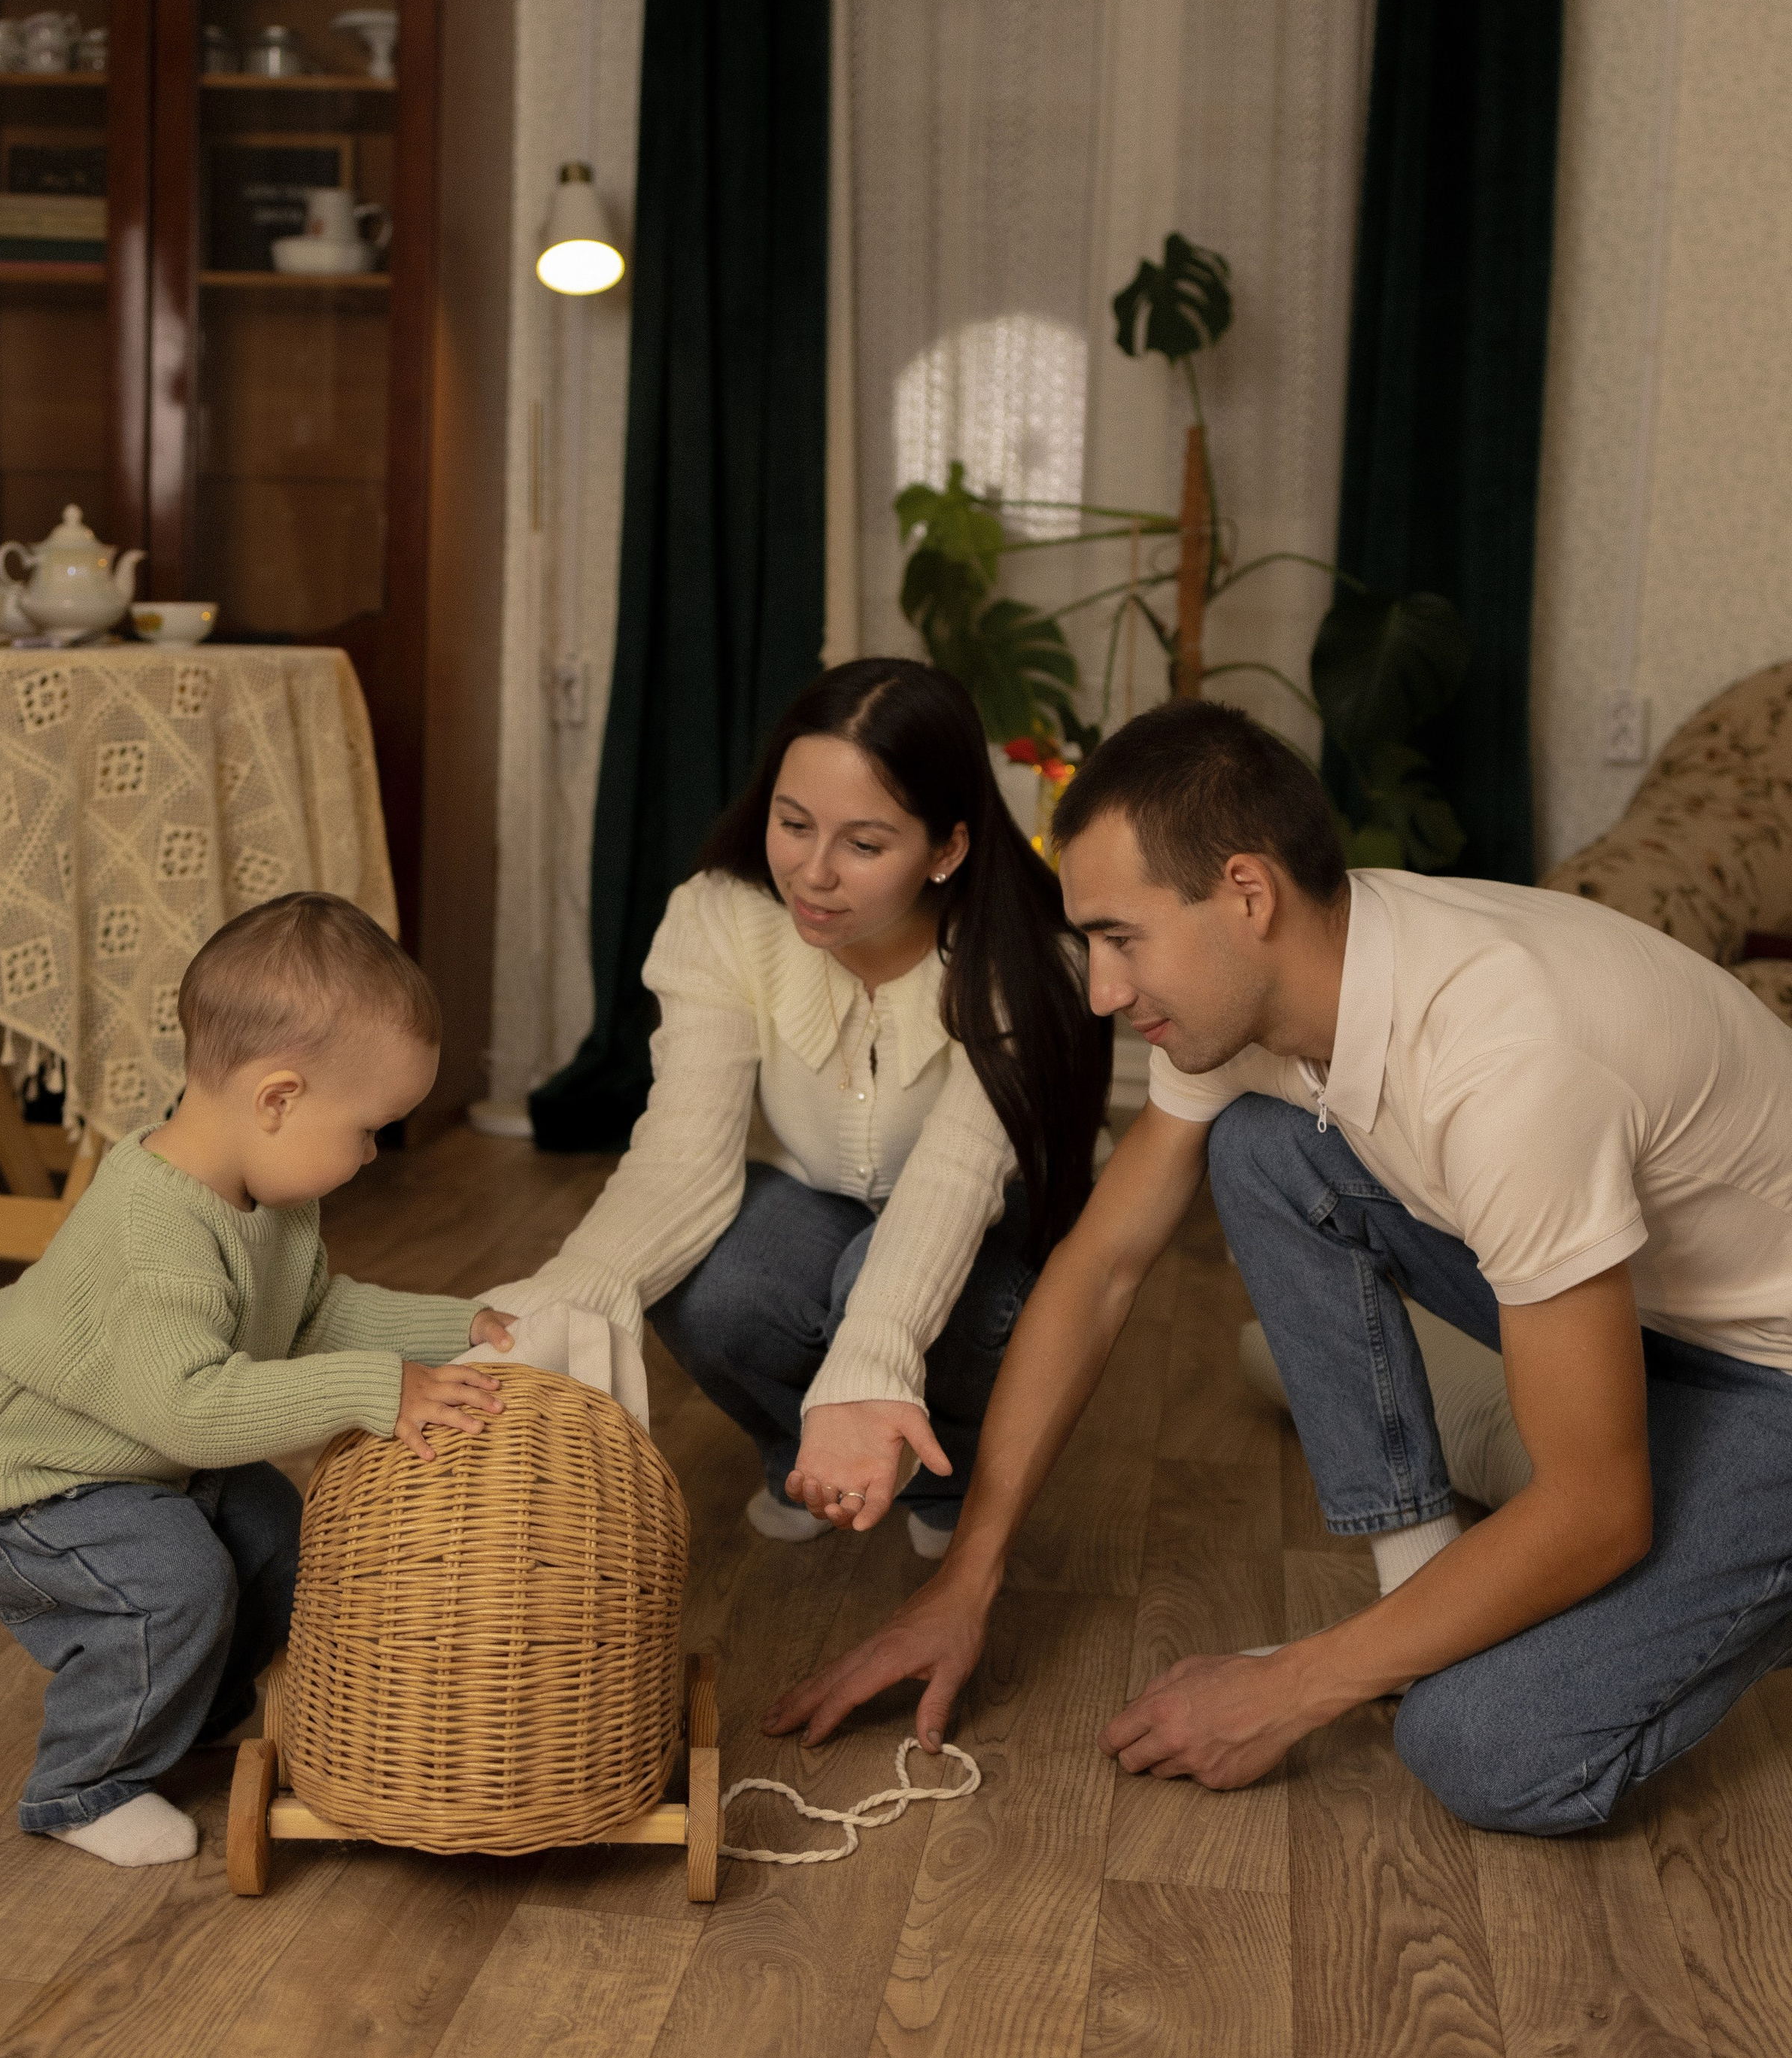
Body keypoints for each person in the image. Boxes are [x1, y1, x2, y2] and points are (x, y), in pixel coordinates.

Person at [768, 699, 1792, 1838]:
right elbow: (1102, 1266)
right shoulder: (1287, 983)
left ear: (1247, 894)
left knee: (1483, 1748)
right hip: (1646, 1314)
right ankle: (1421, 1581)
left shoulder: (1510, 1064)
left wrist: (1293, 1685)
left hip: (1771, 1376)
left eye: (1121, 938)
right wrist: (965, 1579)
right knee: (1262, 1149)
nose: (1103, 992)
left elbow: (1599, 1510)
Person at [0, 894, 513, 1869]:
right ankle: (82, 1784)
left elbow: (311, 1318)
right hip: (18, 1480)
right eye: (368, 1130)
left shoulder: (272, 1203)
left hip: (130, 1455)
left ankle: (195, 1715)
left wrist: (457, 1329)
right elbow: (190, 1408)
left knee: (272, 1526)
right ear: (278, 1099)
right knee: (170, 1583)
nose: (367, 1157)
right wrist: (371, 1390)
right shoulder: (159, 1237)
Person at [512, 658, 1111, 1552]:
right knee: (708, 1276)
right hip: (831, 1212)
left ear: (947, 849)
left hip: (995, 1241)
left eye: (863, 845)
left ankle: (951, 1475)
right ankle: (807, 1455)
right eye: (793, 824)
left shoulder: (1028, 958)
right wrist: (552, 1309)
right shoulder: (721, 914)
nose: (813, 873)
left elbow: (950, 1182)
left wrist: (869, 1362)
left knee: (877, 1271)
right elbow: (681, 1156)